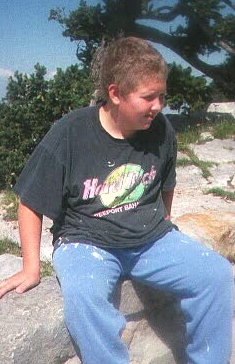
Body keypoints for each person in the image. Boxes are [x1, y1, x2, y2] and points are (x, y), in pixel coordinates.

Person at [0, 37, 233, 364]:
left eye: (162, 96)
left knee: (217, 275)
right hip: (86, 242)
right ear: (114, 93)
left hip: (151, 239)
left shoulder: (161, 129)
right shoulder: (71, 132)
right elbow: (30, 201)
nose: (159, 106)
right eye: (149, 97)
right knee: (85, 301)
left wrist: (164, 221)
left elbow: (165, 181)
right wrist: (31, 268)